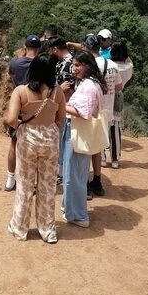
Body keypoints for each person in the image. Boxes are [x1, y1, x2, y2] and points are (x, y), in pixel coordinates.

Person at [6, 54, 66, 244]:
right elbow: (61, 118)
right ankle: (47, 230)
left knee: (25, 184)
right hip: (50, 138)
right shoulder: (58, 92)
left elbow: (11, 119)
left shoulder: (21, 91)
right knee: (47, 186)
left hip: (28, 139)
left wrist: (21, 125)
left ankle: (20, 228)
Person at [62, 52, 106, 228]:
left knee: (73, 175)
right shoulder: (93, 83)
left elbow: (84, 112)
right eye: (74, 65)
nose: (74, 69)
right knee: (76, 174)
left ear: (87, 66)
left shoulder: (88, 86)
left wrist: (61, 106)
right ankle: (71, 208)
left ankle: (78, 214)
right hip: (80, 132)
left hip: (77, 132)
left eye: (77, 65)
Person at [5, 35, 42, 191]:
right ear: (39, 49)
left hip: (18, 105)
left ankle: (10, 179)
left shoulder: (15, 63)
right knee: (36, 146)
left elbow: (11, 75)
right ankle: (32, 182)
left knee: (14, 143)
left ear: (25, 47)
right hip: (36, 108)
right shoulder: (41, 64)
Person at [81, 34, 109, 197]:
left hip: (87, 111)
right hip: (99, 110)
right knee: (96, 148)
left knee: (85, 148)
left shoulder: (87, 64)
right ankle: (97, 181)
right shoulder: (106, 63)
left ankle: (84, 184)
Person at [47, 36, 74, 182]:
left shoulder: (67, 64)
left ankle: (61, 173)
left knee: (62, 140)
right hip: (65, 106)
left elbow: (68, 88)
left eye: (51, 50)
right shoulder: (70, 61)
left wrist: (57, 92)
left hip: (65, 106)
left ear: (55, 49)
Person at [108, 42, 134, 169]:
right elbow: (129, 61)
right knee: (115, 127)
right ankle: (115, 159)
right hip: (118, 95)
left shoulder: (109, 65)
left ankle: (102, 158)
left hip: (106, 94)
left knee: (103, 125)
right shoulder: (128, 67)